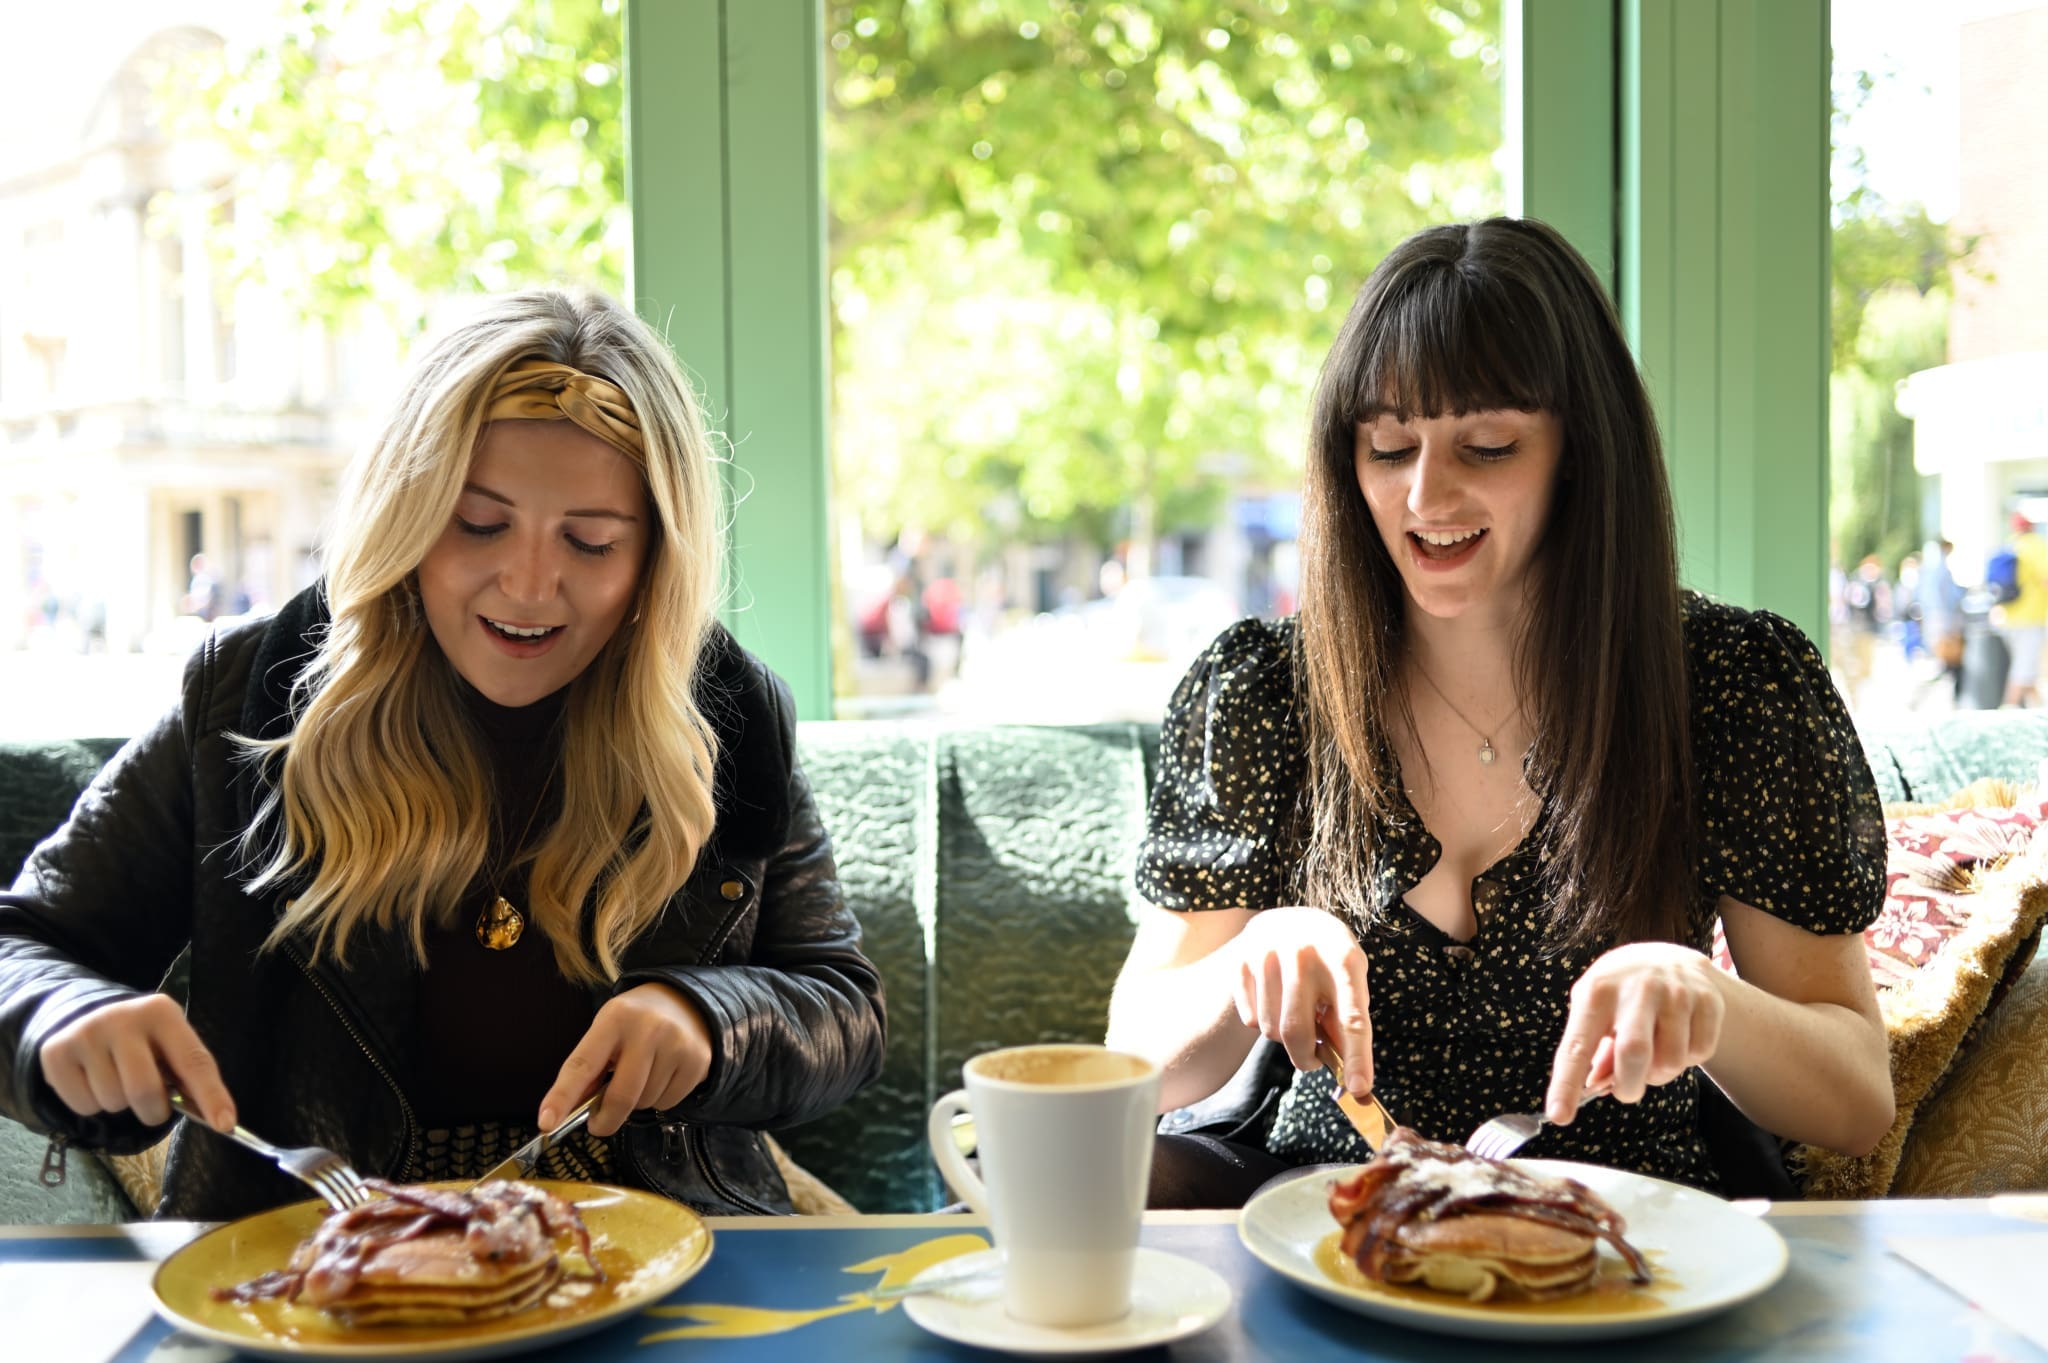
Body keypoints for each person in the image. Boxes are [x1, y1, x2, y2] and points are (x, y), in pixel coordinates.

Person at [0, 288, 886, 1221]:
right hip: (315, 1261)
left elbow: (844, 1008)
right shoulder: (245, 691)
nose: (531, 584)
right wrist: (62, 1020)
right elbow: (22, 947)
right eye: (479, 523)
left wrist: (711, 1022)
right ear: (405, 516)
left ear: (654, 563)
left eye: (590, 542)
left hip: (650, 1243)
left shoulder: (728, 717)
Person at [1106, 218, 1894, 1207]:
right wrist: (1249, 962)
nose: (1424, 494)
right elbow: (1132, 1057)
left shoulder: (1728, 681)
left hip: (1623, 1218)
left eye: (1484, 446)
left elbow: (1855, 1098)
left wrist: (1712, 1003)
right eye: (1388, 446)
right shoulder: (1266, 688)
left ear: (1577, 449)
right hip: (1309, 1206)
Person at [1996, 512, 2048, 707]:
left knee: (2028, 668)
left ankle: (2039, 711)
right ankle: (2008, 709)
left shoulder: (2010, 544)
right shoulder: (2036, 545)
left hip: (2009, 617)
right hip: (2030, 617)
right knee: (2024, 668)